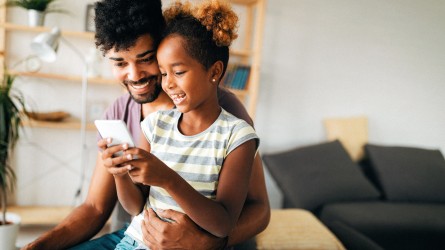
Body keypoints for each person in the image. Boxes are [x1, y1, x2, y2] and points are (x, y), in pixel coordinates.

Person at [22, 0, 270, 249]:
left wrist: (206, 243)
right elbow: (97, 207)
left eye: (145, 58)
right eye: (120, 63)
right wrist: (40, 245)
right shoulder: (131, 117)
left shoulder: (227, 113)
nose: (134, 75)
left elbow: (258, 209)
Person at [104, 2, 259, 249]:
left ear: (215, 72)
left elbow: (223, 224)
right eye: (164, 73)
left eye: (178, 72)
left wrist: (168, 179)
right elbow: (135, 206)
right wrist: (120, 174)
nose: (168, 84)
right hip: (135, 241)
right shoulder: (155, 126)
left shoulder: (237, 136)